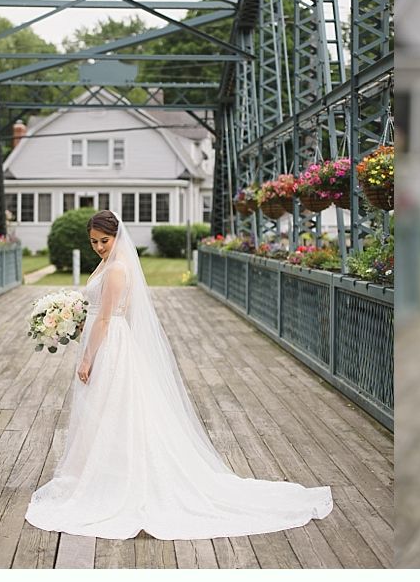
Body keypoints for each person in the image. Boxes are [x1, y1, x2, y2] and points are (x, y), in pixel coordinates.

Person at [25, 209, 333, 540]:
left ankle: (118, 478)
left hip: (110, 344)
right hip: (110, 339)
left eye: (105, 240)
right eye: (94, 242)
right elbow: (101, 312)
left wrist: (86, 358)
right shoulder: (107, 264)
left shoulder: (116, 270)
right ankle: (104, 471)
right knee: (107, 412)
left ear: (117, 237)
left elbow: (106, 319)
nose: (99, 247)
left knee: (114, 409)